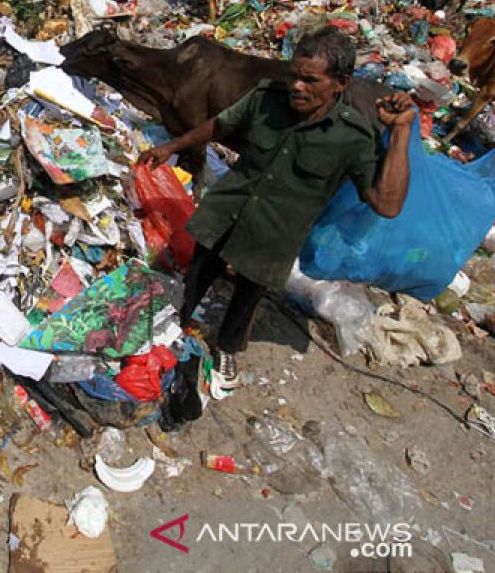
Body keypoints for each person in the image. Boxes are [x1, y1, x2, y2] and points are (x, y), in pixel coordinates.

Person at [139, 27, 413, 387]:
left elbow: (387, 204)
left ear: (340, 83)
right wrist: (172, 145)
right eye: (293, 76)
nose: (296, 86)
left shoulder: (354, 137)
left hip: (277, 233)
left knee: (248, 296)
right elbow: (220, 125)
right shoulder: (267, 97)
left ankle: (226, 348)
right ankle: (174, 325)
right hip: (230, 209)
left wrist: (402, 133)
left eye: (309, 80)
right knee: (199, 272)